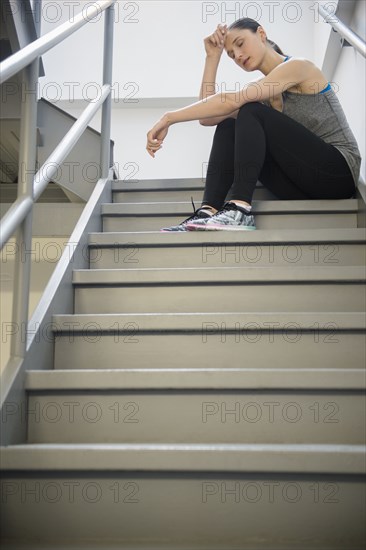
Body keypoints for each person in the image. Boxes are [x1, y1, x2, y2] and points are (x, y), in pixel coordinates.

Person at [146, 18, 361, 231]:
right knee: (229, 125)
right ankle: (207, 212)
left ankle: (240, 209)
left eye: (240, 44)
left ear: (261, 33)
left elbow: (232, 101)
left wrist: (169, 117)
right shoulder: (258, 92)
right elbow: (208, 118)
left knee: (249, 110)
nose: (238, 56)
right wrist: (212, 57)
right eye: (231, 55)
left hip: (338, 174)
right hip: (299, 184)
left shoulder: (299, 67)